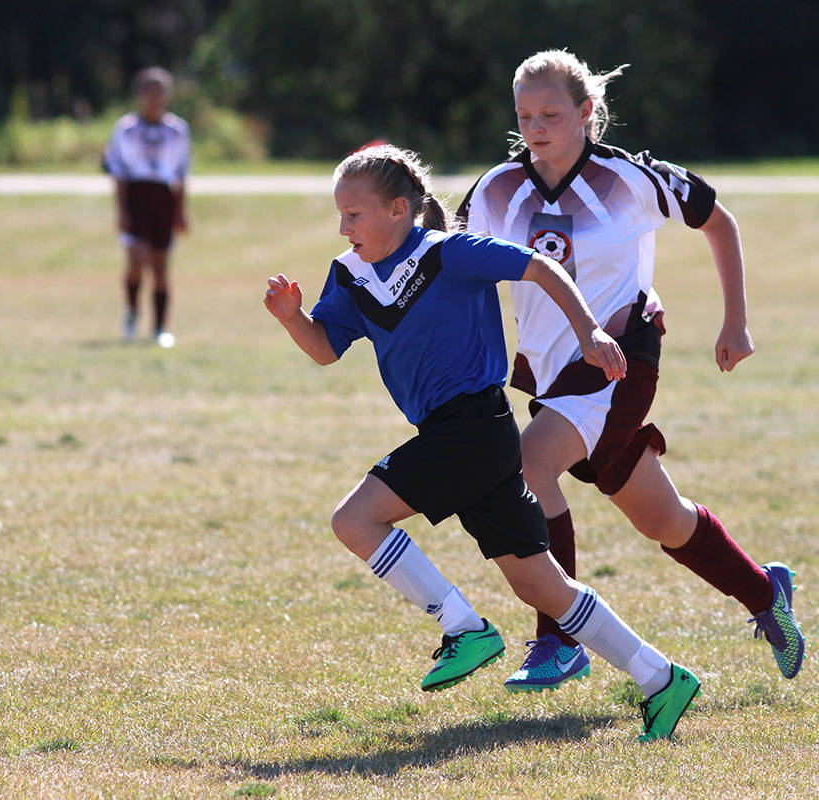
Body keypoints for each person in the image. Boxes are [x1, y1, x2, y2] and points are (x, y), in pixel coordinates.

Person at [264, 143, 700, 741]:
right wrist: (292, 318)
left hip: (474, 427)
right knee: (541, 585)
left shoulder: (450, 254)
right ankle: (661, 677)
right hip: (461, 436)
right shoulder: (350, 275)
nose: (344, 227)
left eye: (354, 214)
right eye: (339, 215)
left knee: (355, 520)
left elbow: (542, 267)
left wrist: (589, 329)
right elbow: (325, 348)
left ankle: (463, 629)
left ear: (398, 209)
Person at [456, 49, 803, 692]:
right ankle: (764, 592)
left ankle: (559, 640)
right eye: (525, 115)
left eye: (551, 114)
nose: (536, 127)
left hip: (621, 357)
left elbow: (718, 222)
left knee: (527, 469)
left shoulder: (633, 178)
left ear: (587, 113)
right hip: (552, 376)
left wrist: (736, 322)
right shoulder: (495, 189)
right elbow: (445, 258)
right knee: (662, 519)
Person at [103, 66, 191, 349]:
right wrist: (122, 211)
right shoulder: (126, 128)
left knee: (161, 266)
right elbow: (118, 172)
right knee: (136, 261)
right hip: (136, 196)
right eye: (148, 90)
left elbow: (181, 173)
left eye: (159, 90)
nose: (154, 96)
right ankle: (131, 312)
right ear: (140, 94)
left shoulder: (177, 130)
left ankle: (160, 327)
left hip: (163, 198)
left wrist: (180, 211)